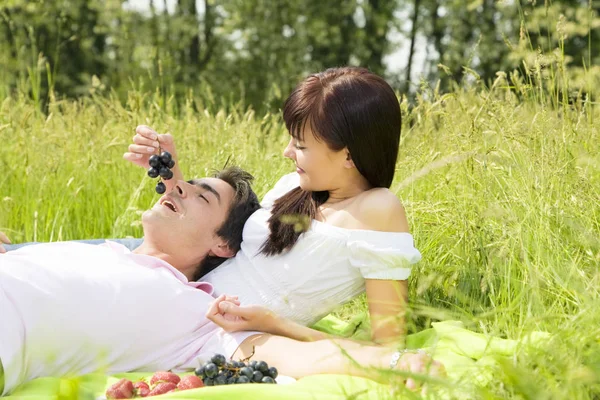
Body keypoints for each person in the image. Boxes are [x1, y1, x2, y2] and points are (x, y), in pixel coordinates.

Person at [2, 67, 419, 345]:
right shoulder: (296, 186)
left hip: (202, 325)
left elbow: (389, 344)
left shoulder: (378, 210)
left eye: (301, 144)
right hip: (180, 281)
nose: (286, 152)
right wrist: (172, 176)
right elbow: (224, 239)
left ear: (349, 154)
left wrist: (275, 326)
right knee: (31, 262)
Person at [0, 168, 444, 396]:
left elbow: (285, 354)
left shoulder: (198, 316)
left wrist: (394, 363)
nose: (175, 190)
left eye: (201, 195)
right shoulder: (100, 251)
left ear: (222, 246)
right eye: (181, 186)